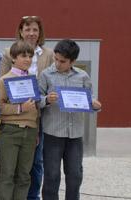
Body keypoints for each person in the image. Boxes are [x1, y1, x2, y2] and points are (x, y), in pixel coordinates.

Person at [38, 39, 102, 200]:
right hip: (53, 133)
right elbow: (37, 100)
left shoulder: (82, 77)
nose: (58, 64)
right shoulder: (46, 75)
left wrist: (95, 105)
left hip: (75, 135)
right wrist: (46, 100)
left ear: (73, 61)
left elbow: (90, 99)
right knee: (52, 175)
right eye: (56, 59)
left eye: (63, 61)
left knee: (75, 175)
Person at [0, 16, 54, 200]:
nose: (31, 33)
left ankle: (32, 197)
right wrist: (18, 107)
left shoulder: (48, 54)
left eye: (35, 30)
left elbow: (50, 83)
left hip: (37, 117)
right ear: (21, 31)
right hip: (13, 120)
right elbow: (2, 86)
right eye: (27, 29)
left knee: (33, 165)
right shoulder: (8, 54)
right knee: (9, 170)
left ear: (40, 33)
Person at [0, 41, 39, 200]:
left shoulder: (33, 80)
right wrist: (20, 108)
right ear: (13, 58)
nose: (27, 59)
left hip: (30, 130)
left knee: (24, 175)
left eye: (30, 56)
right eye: (23, 56)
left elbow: (37, 109)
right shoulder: (3, 80)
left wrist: (37, 130)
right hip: (10, 131)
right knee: (7, 174)